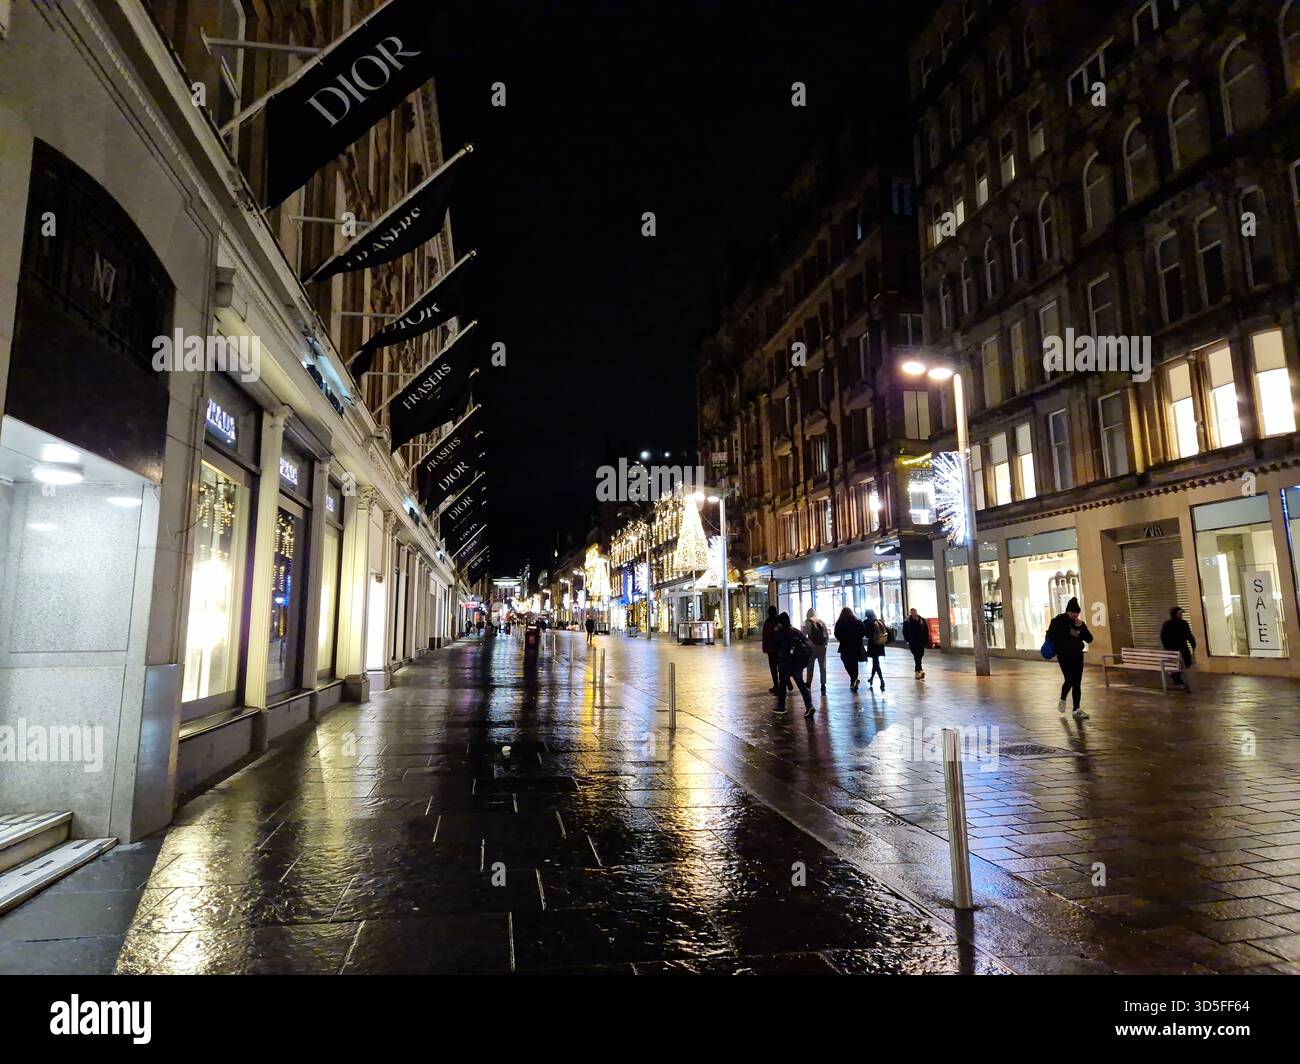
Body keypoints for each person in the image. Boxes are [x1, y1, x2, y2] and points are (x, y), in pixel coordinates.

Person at [1046, 596, 1094, 720]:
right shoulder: (1057, 621)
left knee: (1077, 681)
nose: (1075, 615)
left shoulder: (1079, 623)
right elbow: (1052, 635)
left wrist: (1081, 628)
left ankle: (1076, 709)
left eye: (1077, 613)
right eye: (1073, 612)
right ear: (1068, 611)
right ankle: (1063, 698)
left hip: (1077, 655)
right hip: (1064, 655)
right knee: (1070, 679)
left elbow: (1089, 639)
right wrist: (1069, 632)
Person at [772, 612, 814, 717]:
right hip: (798, 663)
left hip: (786, 664)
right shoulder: (796, 631)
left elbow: (777, 647)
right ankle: (809, 705)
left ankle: (781, 707)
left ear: (781, 623)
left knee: (782, 685)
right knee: (801, 685)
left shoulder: (782, 633)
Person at [1160, 605, 1197, 691]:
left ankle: (1174, 676)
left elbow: (1189, 635)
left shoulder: (1184, 623)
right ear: (1174, 614)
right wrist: (1168, 647)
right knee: (1179, 664)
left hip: (1183, 647)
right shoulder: (1168, 624)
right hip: (1173, 648)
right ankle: (1177, 679)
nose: (1181, 615)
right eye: (1179, 613)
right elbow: (1164, 636)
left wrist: (1193, 644)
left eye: (1181, 613)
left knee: (1187, 662)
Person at [833, 607, 865, 692]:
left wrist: (842, 639)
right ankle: (854, 679)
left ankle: (853, 680)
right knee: (854, 663)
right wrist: (857, 638)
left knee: (846, 662)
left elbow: (836, 634)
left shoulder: (840, 623)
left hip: (845, 646)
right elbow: (863, 632)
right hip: (855, 646)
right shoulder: (857, 622)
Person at [762, 606, 792, 693]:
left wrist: (765, 648)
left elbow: (765, 637)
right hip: (778, 649)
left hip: (772, 649)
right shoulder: (778, 621)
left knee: (774, 668)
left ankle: (778, 685)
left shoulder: (768, 622)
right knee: (780, 668)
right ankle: (785, 682)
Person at [802, 607, 829, 693]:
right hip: (822, 647)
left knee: (810, 665)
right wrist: (824, 644)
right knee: (822, 666)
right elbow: (826, 635)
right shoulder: (821, 621)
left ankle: (809, 683)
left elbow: (803, 635)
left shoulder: (806, 622)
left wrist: (806, 644)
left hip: (811, 647)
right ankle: (823, 684)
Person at [863, 609, 888, 691]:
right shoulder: (878, 620)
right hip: (880, 644)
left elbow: (864, 633)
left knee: (876, 663)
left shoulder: (867, 622)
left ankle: (881, 680)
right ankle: (871, 678)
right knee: (875, 662)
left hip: (872, 644)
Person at [903, 608, 929, 679]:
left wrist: (926, 639)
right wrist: (908, 639)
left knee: (920, 655)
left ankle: (919, 670)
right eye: (912, 613)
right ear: (910, 613)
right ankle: (918, 670)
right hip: (913, 641)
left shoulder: (921, 620)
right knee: (916, 655)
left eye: (915, 612)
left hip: (921, 641)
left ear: (916, 612)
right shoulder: (907, 621)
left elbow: (926, 630)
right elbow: (904, 631)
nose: (914, 614)